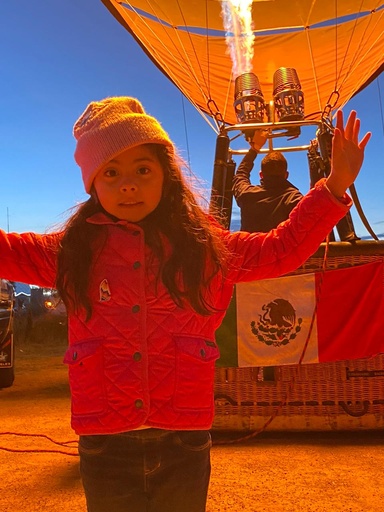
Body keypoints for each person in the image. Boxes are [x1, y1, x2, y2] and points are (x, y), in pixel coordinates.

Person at [0, 97, 370, 512]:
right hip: (104, 441)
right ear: (92, 184)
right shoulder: (70, 252)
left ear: (165, 176)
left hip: (184, 439)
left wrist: (335, 183)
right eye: (111, 172)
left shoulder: (206, 247)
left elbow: (280, 250)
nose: (128, 184)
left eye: (143, 169)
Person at [232, 130, 303, 232]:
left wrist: (254, 149)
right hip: (282, 248)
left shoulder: (246, 194)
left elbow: (240, 175)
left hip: (252, 248)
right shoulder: (296, 199)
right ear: (286, 175)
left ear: (261, 175)